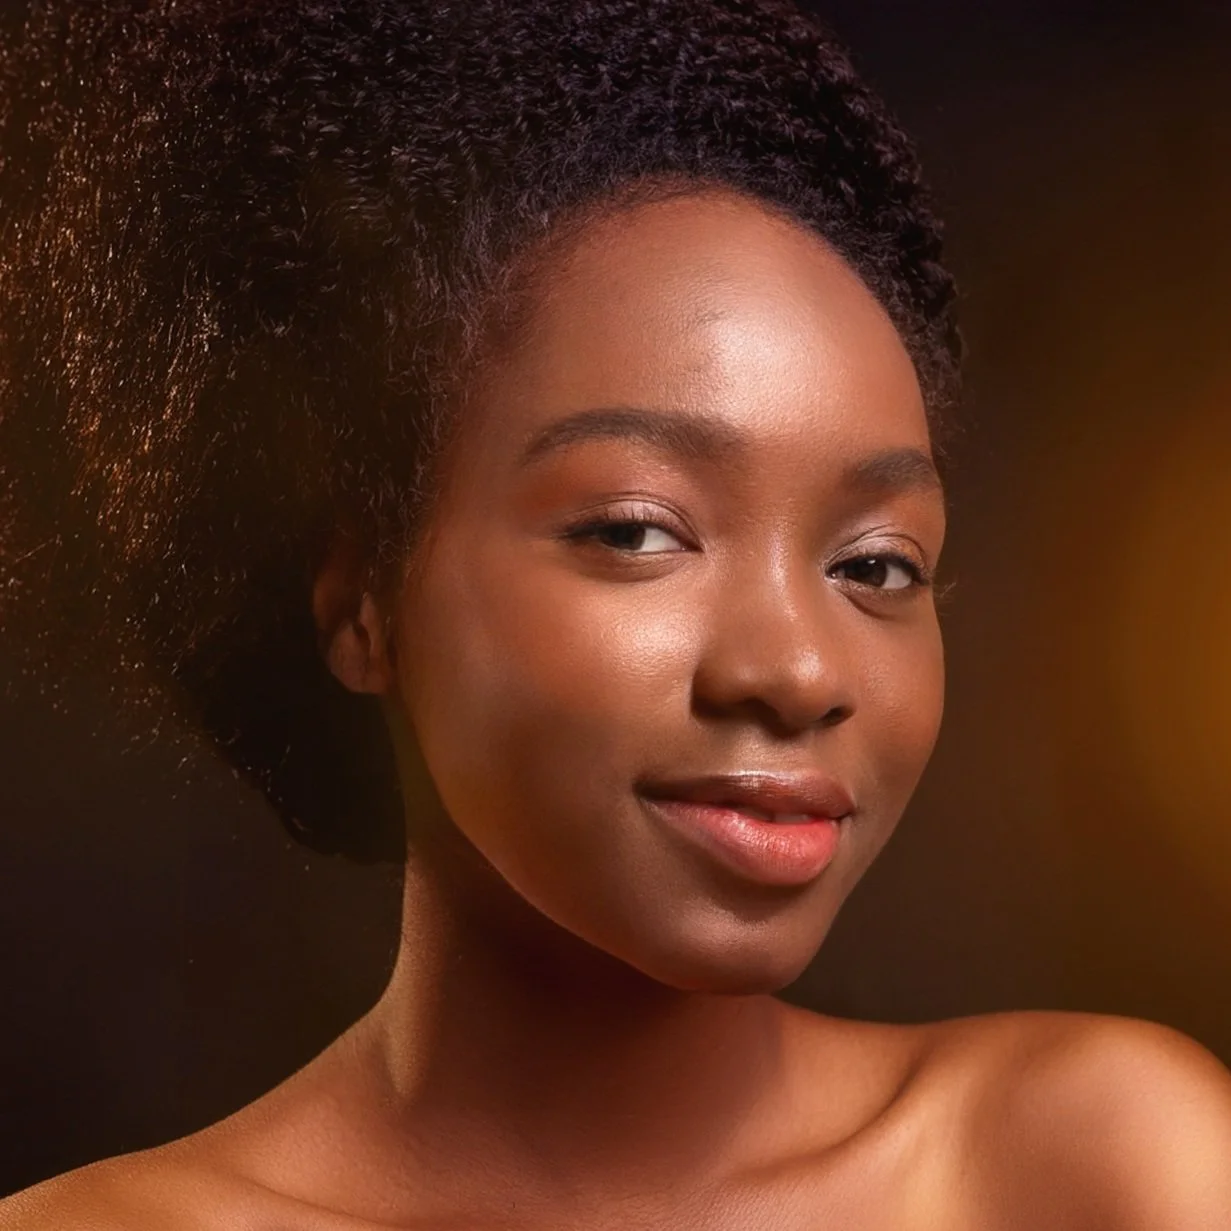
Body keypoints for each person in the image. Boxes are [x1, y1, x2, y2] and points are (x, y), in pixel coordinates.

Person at [1, 0, 1229, 1226]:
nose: (797, 670)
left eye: (875, 565)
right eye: (637, 530)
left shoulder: (1092, 1165)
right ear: (363, 605)